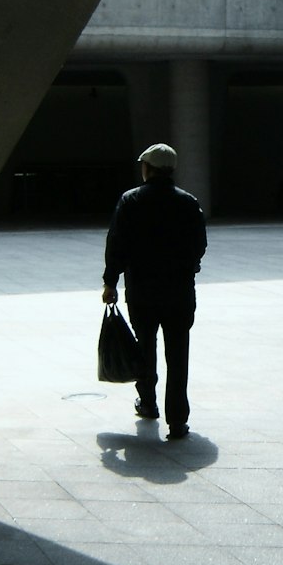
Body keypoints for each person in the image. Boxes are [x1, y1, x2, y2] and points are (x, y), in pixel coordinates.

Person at [102, 143, 207, 439]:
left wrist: (111, 282)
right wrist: (188, 266)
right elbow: (199, 245)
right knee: (178, 354)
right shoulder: (188, 203)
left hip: (143, 291)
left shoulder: (131, 201)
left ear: (147, 168)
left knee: (145, 346)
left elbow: (116, 245)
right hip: (178, 292)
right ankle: (178, 420)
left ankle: (147, 403)